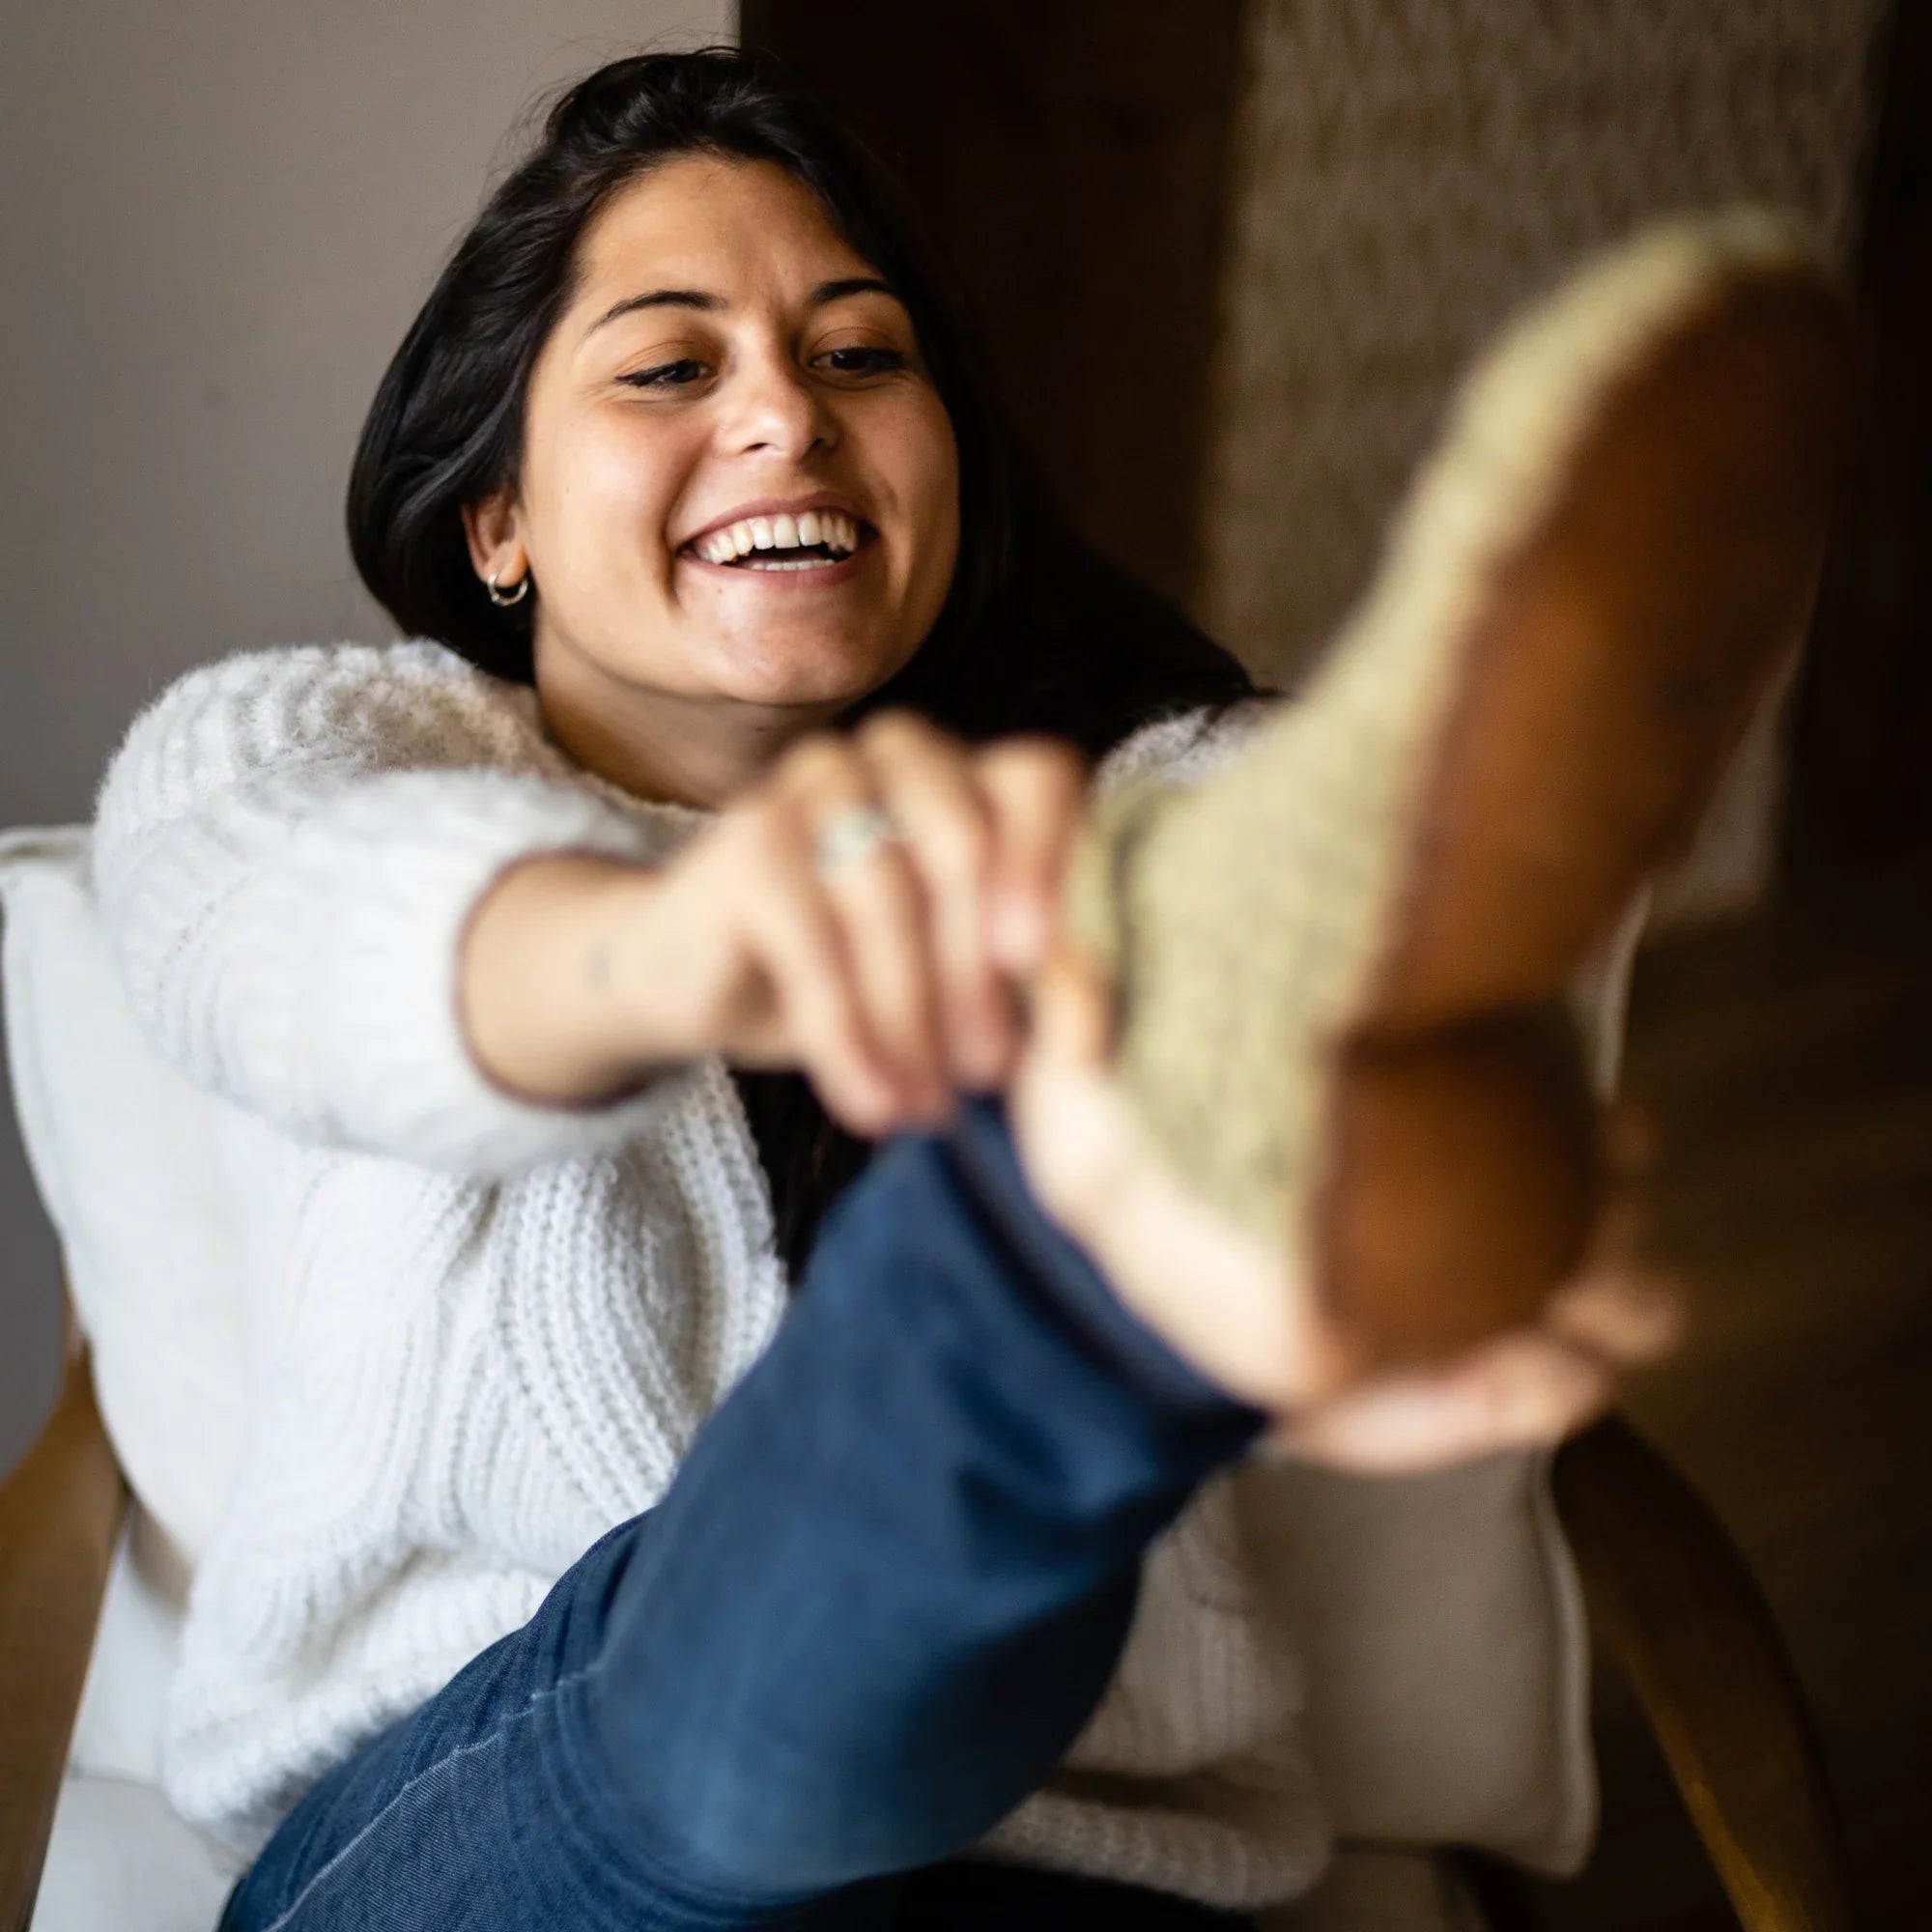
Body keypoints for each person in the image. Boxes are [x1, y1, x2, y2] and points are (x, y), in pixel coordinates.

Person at [93, 43, 1846, 1932]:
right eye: (672, 365)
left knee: (1231, 905)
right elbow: (294, 943)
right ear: (494, 517)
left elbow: (1205, 898)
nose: (787, 412)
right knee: (722, 1727)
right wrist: (679, 941)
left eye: (859, 354)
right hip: (495, 1840)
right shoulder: (310, 762)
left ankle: (1135, 1192)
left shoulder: (1145, 794)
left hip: (1057, 1865)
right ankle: (1065, 1281)